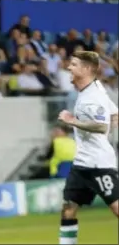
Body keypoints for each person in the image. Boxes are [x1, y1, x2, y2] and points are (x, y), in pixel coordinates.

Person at [57, 51, 119, 245]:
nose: (69, 67)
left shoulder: (93, 96)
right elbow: (114, 115)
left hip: (99, 165)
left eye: (74, 64)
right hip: (81, 164)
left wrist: (72, 121)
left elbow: (101, 126)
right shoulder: (92, 90)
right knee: (68, 208)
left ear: (85, 69)